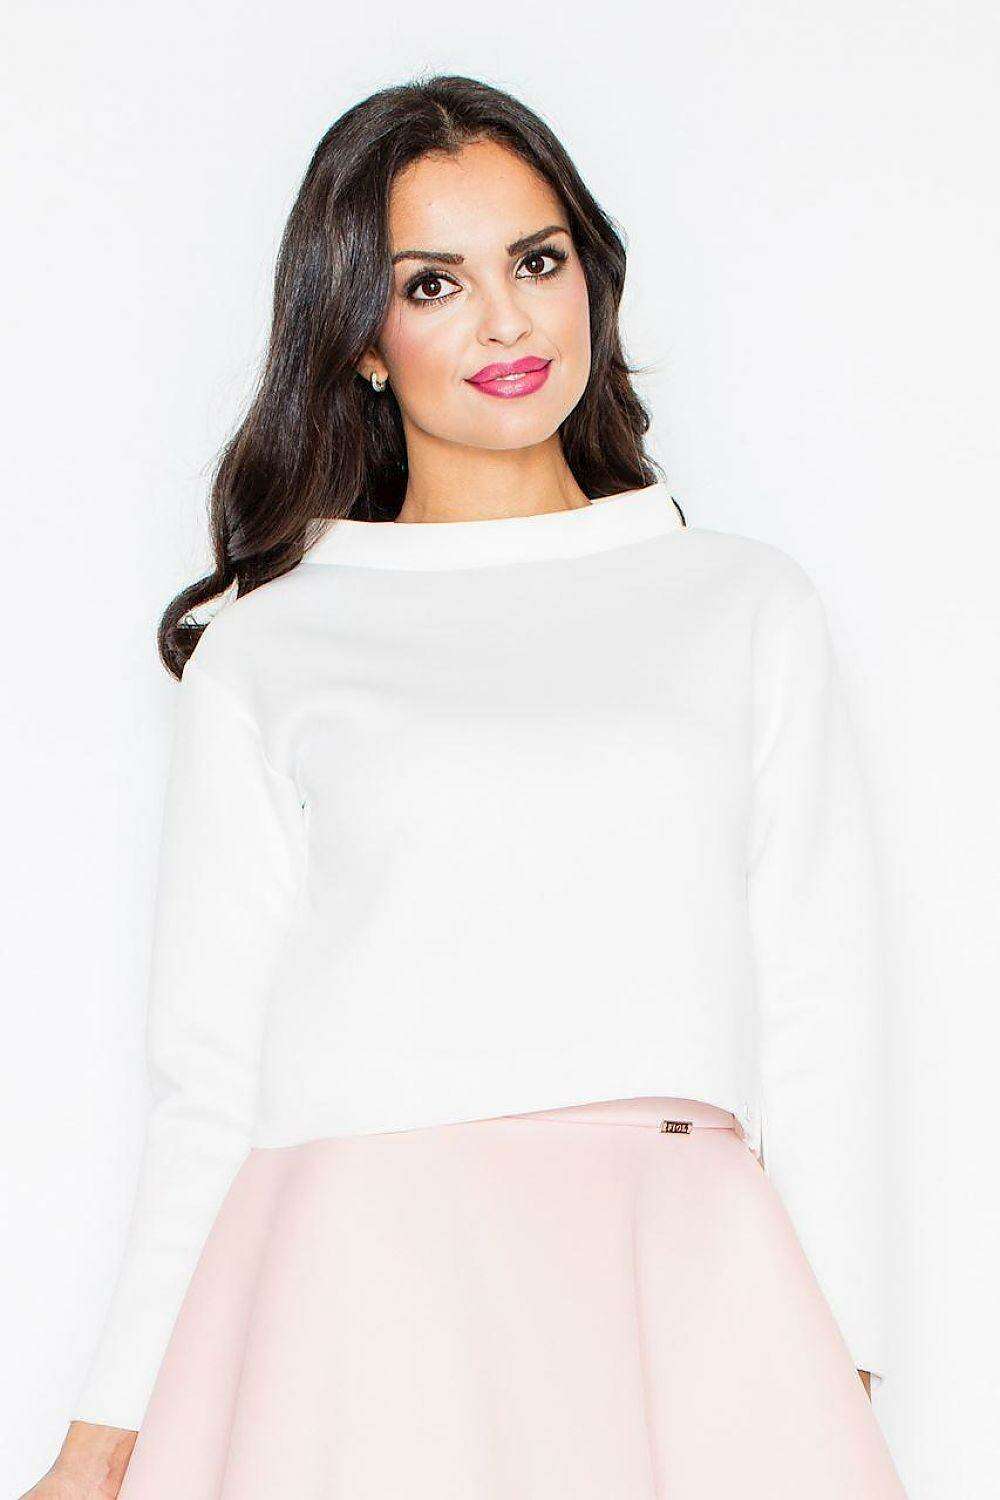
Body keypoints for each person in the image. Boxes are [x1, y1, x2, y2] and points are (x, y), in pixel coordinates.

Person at [23, 74, 908, 1499]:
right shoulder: (272, 646)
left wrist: (836, 1368)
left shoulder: (742, 605)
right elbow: (211, 1081)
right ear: (359, 340)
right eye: (431, 284)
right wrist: (100, 1439)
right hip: (356, 1295)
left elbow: (824, 1008)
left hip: (674, 1279)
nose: (505, 321)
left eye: (536, 262)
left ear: (590, 281)